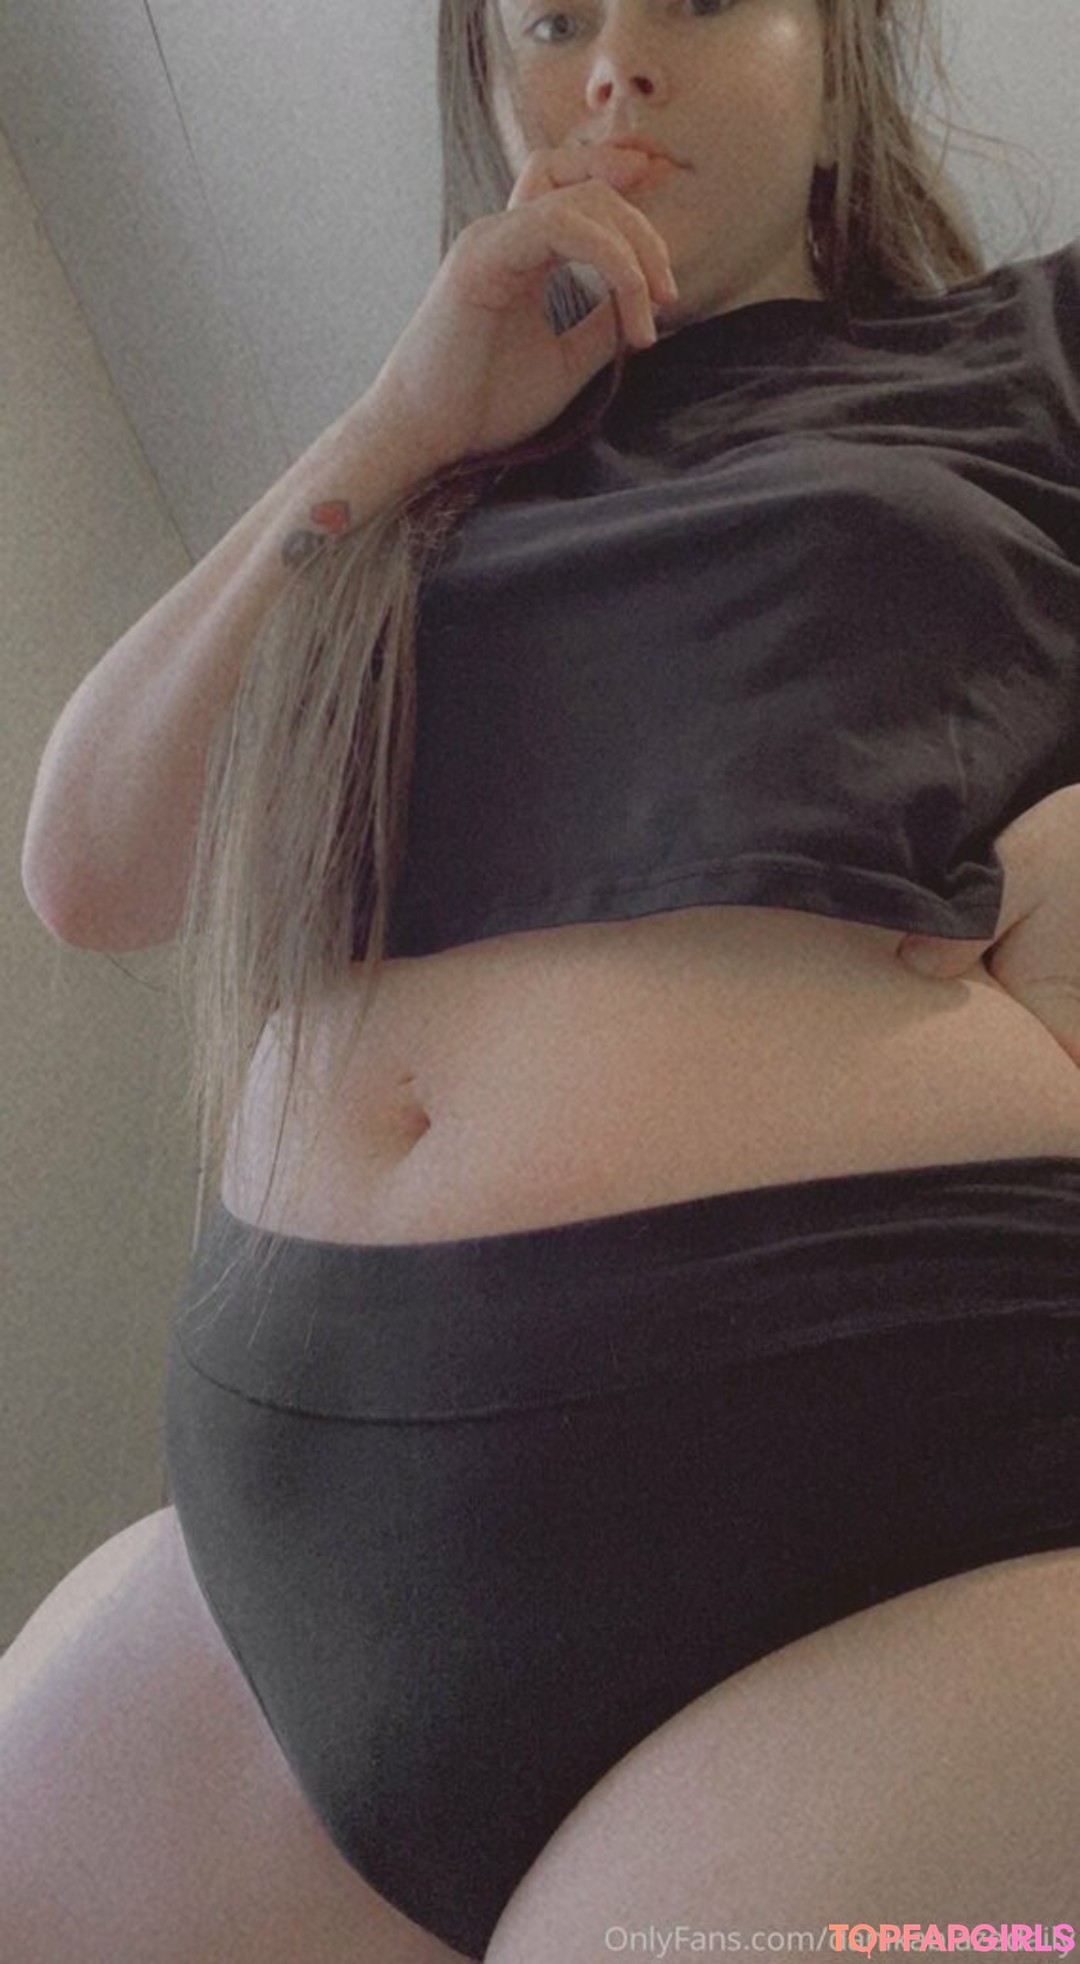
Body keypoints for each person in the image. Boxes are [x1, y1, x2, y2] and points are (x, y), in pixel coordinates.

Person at [8, 1, 1080, 1958]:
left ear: (839, 58)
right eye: (555, 19)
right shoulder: (438, 467)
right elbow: (92, 863)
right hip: (280, 1588)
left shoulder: (1032, 350)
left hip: (873, 1513)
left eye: (700, 1)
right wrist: (402, 421)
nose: (617, 63)